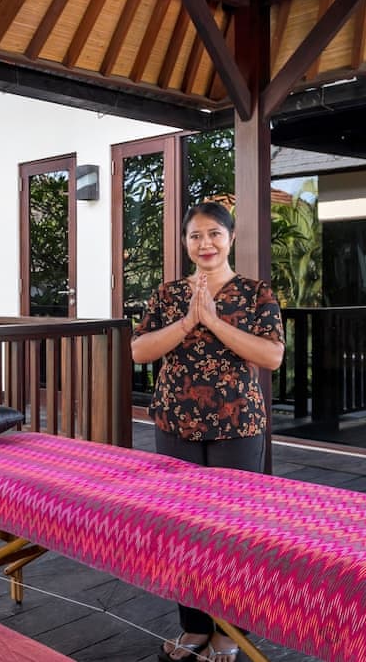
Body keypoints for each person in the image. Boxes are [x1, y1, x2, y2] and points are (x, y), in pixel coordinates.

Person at [130, 201, 284, 662]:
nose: (205, 244)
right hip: (176, 421)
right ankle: (195, 626)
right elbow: (140, 351)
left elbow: (272, 356)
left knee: (234, 530)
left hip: (237, 425)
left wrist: (213, 321)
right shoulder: (168, 294)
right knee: (182, 528)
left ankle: (231, 630)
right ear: (185, 242)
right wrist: (188, 320)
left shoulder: (256, 293)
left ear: (231, 238)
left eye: (214, 233)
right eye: (195, 235)